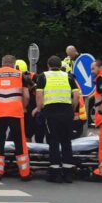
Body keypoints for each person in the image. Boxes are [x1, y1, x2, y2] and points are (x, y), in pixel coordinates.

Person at [34, 55, 81, 183]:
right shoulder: (69, 76)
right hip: (66, 111)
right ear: (60, 66)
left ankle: (55, 174)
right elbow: (76, 96)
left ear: (48, 66)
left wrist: (39, 109)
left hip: (50, 112)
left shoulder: (43, 76)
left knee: (53, 141)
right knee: (66, 141)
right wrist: (71, 108)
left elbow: (39, 96)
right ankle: (68, 174)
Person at [0, 55, 31, 181]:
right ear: (13, 64)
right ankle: (24, 172)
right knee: (20, 142)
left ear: (2, 63)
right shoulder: (19, 75)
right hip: (16, 112)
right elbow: (26, 95)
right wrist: (23, 107)